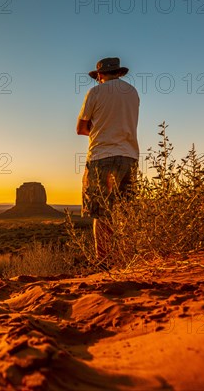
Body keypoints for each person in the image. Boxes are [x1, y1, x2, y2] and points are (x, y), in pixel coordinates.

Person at [76, 57, 140, 266]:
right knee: (125, 210)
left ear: (100, 75)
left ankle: (104, 262)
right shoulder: (132, 93)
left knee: (101, 212)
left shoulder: (95, 92)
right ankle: (127, 258)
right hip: (129, 156)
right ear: (119, 73)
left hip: (101, 156)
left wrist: (99, 128)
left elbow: (81, 128)